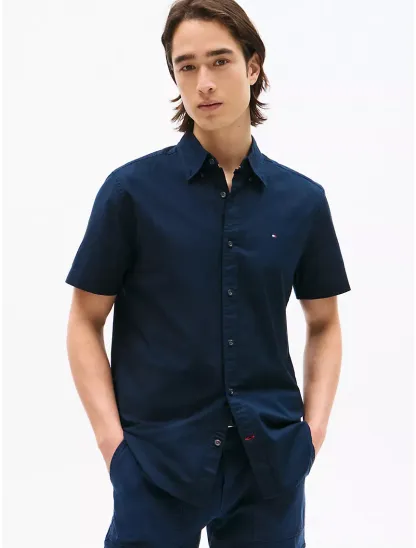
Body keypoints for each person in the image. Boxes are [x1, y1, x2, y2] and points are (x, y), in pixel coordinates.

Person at [65, 0, 351, 546]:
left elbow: (324, 322)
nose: (204, 83)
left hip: (269, 466)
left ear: (253, 65)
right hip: (156, 463)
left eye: (220, 61)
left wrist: (311, 434)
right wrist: (113, 446)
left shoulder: (302, 201)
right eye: (187, 66)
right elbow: (84, 319)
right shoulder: (130, 193)